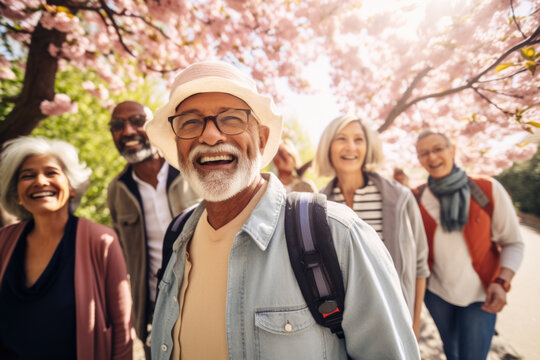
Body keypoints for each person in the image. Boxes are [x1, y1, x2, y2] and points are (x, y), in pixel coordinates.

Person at [145, 60, 420, 359]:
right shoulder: (177, 237)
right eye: (190, 123)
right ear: (177, 144)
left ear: (261, 139)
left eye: (232, 119)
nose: (210, 136)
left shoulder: (338, 234)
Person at [0, 137, 132, 360]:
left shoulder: (101, 240)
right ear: (17, 194)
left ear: (71, 186)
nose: (40, 181)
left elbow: (122, 329)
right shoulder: (4, 241)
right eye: (27, 175)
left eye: (51, 172)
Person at [313, 114, 430, 337]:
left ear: (367, 147)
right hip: (341, 325)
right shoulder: (317, 206)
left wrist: (414, 323)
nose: (350, 147)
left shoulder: (400, 198)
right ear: (328, 146)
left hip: (393, 316)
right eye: (341, 139)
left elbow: (420, 264)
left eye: (359, 139)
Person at [414, 130, 524, 360]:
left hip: (480, 295)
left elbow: (513, 242)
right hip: (437, 295)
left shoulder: (487, 189)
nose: (432, 157)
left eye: (437, 149)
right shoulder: (416, 198)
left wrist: (502, 282)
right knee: (452, 353)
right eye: (424, 153)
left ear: (452, 150)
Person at [107, 101, 200, 356]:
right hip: (154, 308)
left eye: (138, 122)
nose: (127, 132)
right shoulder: (117, 190)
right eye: (117, 126)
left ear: (156, 127)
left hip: (207, 294)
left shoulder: (192, 169)